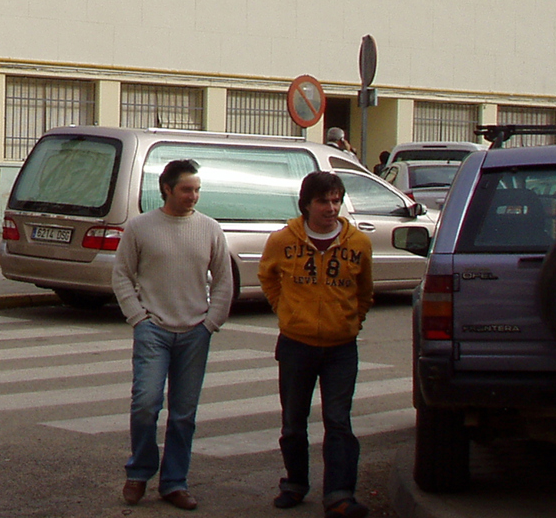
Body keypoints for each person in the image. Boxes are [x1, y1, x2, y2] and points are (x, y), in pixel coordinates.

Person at [110, 157, 235, 511]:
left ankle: (175, 482)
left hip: (195, 331)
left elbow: (224, 281)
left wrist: (211, 322)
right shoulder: (140, 227)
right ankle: (139, 472)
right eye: (186, 189)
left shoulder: (210, 229)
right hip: (153, 330)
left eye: (197, 190)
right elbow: (122, 275)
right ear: (167, 189)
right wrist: (138, 318)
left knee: (183, 414)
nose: (193, 196)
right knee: (145, 404)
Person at [259, 170, 375, 518]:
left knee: (338, 421)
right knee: (294, 422)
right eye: (323, 201)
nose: (331, 208)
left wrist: (353, 321)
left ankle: (339, 495)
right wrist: (285, 310)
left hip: (341, 348)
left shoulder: (358, 243)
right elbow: (267, 276)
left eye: (336, 200)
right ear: (306, 204)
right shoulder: (282, 240)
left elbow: (365, 290)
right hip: (297, 344)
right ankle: (295, 484)